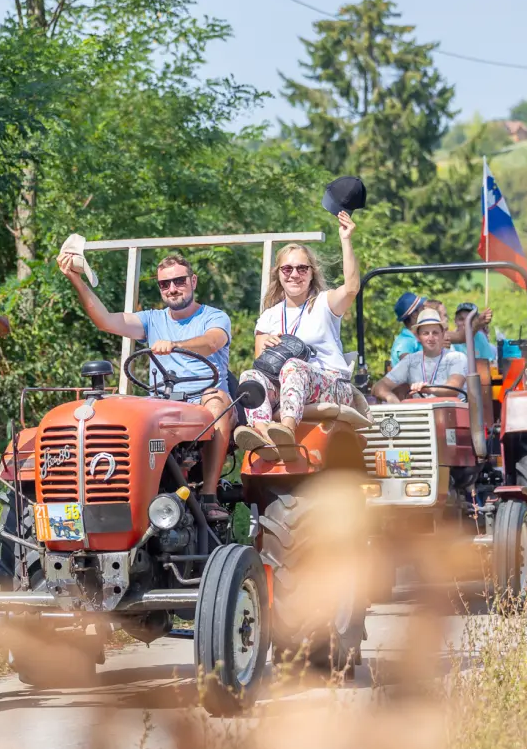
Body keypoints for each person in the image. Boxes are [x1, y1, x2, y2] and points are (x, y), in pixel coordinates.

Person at [57, 250, 234, 519]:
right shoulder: (152, 320)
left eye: (179, 281)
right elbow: (105, 320)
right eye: (165, 284)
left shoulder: (214, 317)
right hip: (162, 402)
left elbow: (212, 342)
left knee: (219, 400)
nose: (172, 289)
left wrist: (176, 345)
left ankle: (209, 495)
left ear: (193, 281)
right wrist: (76, 280)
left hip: (202, 400)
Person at [235, 211, 361, 460]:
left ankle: (287, 430)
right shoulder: (269, 316)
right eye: (288, 268)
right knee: (249, 375)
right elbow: (260, 364)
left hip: (331, 384)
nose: (294, 274)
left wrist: (346, 239)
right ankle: (262, 435)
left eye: (302, 268)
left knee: (294, 366)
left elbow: (352, 288)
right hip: (286, 387)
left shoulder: (324, 303)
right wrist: (268, 345)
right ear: (278, 273)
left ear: (312, 273)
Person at [372, 307, 468, 402]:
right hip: (422, 414)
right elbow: (379, 386)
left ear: (443, 334)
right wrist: (392, 399)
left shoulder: (457, 357)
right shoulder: (410, 360)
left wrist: (428, 389)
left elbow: (453, 388)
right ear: (418, 336)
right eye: (426, 333)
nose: (431, 338)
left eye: (435, 333)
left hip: (451, 414)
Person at [388, 292, 426, 368]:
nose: (425, 311)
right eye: (423, 308)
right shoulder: (406, 342)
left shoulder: (415, 338)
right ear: (414, 314)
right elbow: (409, 367)